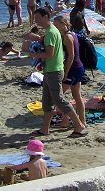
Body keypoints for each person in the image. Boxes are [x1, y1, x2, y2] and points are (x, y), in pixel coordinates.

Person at [29, 8, 86, 138]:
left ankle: (78, 125)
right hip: (51, 69)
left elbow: (50, 53)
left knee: (59, 99)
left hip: (54, 70)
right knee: (47, 101)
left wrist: (34, 54)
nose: (35, 20)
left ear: (45, 17)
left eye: (37, 17)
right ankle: (45, 128)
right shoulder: (53, 31)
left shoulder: (51, 32)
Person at [53, 16, 86, 127]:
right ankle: (83, 120)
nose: (55, 27)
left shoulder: (67, 36)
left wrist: (66, 72)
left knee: (59, 97)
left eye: (57, 25)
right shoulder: (73, 34)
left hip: (73, 68)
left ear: (63, 24)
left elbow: (71, 56)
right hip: (79, 67)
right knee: (77, 96)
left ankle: (65, 121)